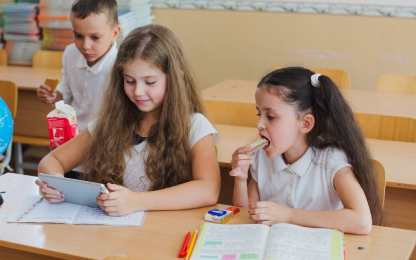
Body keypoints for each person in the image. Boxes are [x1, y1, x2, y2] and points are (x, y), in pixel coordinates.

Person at [36, 25, 221, 216]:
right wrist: (55, 182)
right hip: (116, 233)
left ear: (176, 78)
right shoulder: (109, 123)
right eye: (130, 81)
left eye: (150, 82)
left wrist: (135, 201)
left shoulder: (195, 126)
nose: (138, 91)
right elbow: (52, 160)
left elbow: (209, 189)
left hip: (163, 232)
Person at [229, 67, 382, 234]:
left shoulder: (332, 161)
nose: (259, 124)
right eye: (259, 114)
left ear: (305, 124)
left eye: (271, 117)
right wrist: (241, 180)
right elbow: (247, 215)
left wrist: (288, 215)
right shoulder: (261, 158)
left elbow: (362, 221)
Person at [37, 0, 120, 132]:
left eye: (95, 37)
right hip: (72, 133)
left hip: (103, 138)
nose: (85, 46)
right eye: (78, 36)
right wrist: (53, 96)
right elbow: (66, 93)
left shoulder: (120, 66)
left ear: (114, 33)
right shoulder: (71, 53)